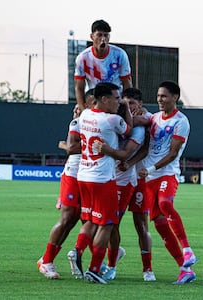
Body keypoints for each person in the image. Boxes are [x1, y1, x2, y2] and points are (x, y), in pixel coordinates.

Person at [67, 82, 132, 284]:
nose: (119, 101)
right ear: (104, 99)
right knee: (107, 224)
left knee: (90, 220)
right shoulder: (112, 120)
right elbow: (128, 130)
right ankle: (94, 269)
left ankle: (77, 250)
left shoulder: (85, 115)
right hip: (103, 179)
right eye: (116, 97)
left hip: (84, 176)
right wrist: (128, 109)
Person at [137, 80, 198, 284]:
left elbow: (173, 154)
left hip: (166, 173)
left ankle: (188, 250)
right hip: (149, 179)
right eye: (158, 96)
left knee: (165, 203)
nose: (160, 100)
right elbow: (139, 126)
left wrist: (151, 168)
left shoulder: (181, 121)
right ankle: (184, 269)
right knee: (161, 225)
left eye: (164, 96)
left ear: (175, 97)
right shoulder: (153, 118)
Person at [95, 88, 154, 282]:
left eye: (132, 105)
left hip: (138, 178)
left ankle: (147, 269)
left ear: (140, 105)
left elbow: (145, 148)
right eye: (124, 104)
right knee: (112, 224)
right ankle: (111, 265)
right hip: (119, 179)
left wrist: (129, 162)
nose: (128, 109)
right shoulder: (114, 120)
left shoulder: (144, 121)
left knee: (141, 224)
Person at [37, 90, 95, 279]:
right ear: (85, 104)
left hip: (91, 176)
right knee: (68, 218)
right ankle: (46, 261)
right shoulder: (78, 121)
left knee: (89, 221)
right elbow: (71, 148)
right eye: (92, 102)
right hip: (74, 174)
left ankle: (95, 261)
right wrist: (98, 144)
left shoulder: (102, 120)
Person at [74, 19, 132, 112]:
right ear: (92, 36)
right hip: (94, 101)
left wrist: (125, 106)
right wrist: (83, 110)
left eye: (106, 35)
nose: (103, 39)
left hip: (115, 101)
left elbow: (127, 82)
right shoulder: (83, 58)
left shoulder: (119, 54)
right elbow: (79, 87)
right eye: (99, 35)